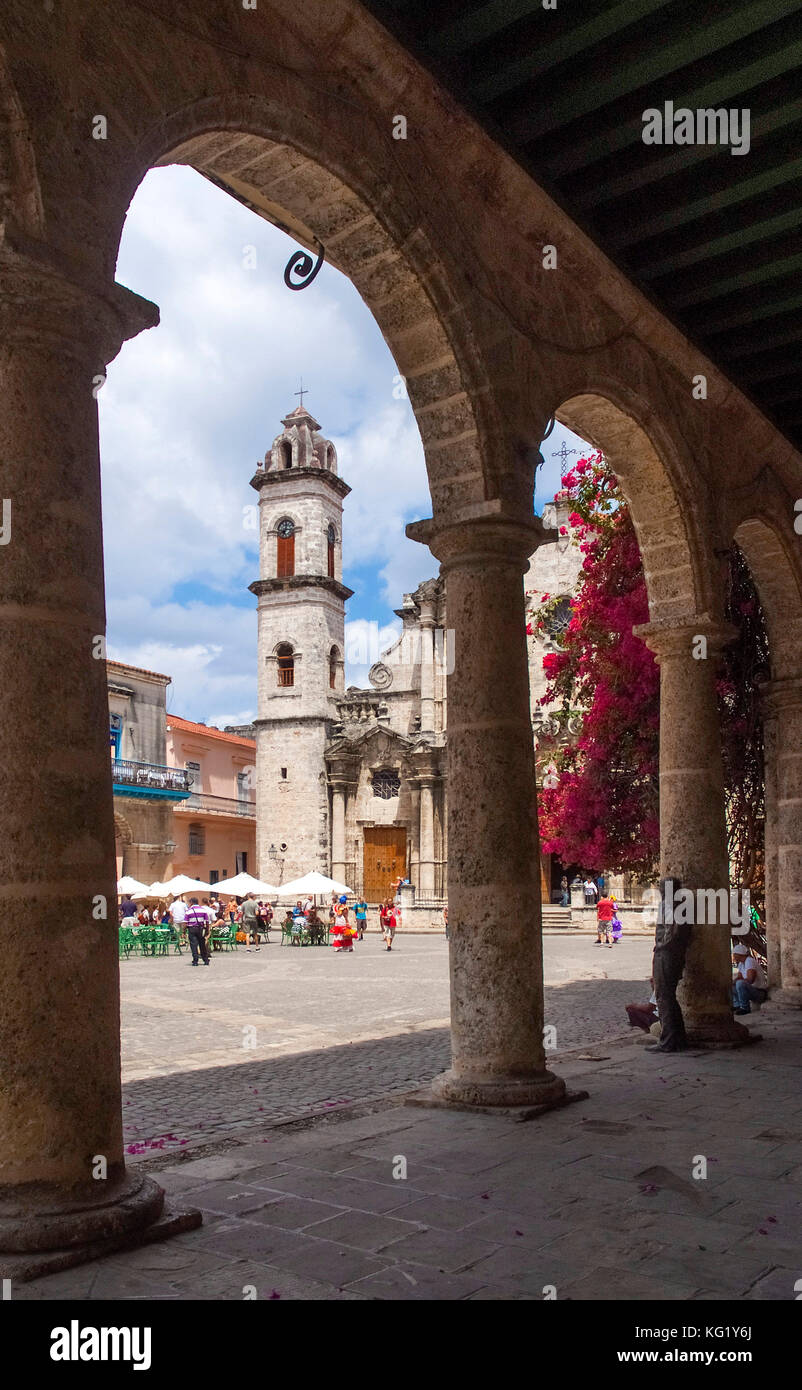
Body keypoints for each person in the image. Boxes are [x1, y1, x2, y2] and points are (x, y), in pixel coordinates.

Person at [647, 877, 692, 1054]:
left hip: (666, 954)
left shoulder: (670, 905)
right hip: (675, 954)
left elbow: (672, 932)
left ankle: (668, 1040)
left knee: (663, 997)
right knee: (669, 997)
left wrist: (660, 947)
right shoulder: (682, 905)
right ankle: (678, 1038)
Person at [732, 943, 768, 1014]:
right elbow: (739, 977)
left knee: (740, 983)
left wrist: (738, 982)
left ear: (739, 954)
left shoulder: (749, 961)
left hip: (759, 993)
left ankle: (745, 1008)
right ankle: (737, 1005)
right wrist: (733, 982)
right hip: (752, 990)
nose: (734, 956)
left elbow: (750, 979)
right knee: (733, 984)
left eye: (735, 954)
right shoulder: (741, 964)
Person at [185, 897, 211, 966]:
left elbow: (185, 922)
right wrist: (207, 930)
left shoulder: (188, 911)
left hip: (192, 929)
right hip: (201, 928)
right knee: (202, 944)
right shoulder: (203, 910)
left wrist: (184, 931)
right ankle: (205, 959)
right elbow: (207, 921)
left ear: (191, 903)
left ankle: (195, 960)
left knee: (193, 945)